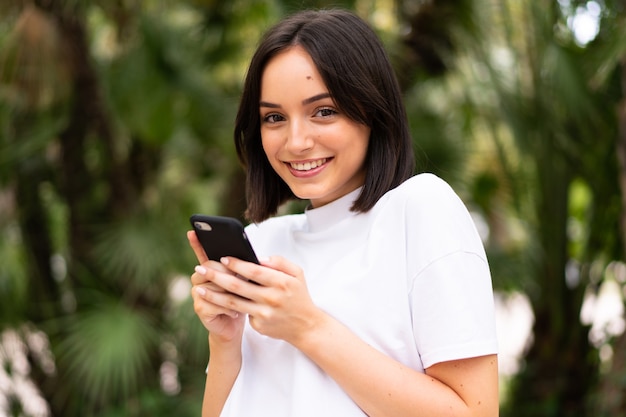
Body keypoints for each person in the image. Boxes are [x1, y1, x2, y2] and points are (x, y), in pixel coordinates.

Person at [188, 8, 499, 417]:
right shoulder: (263, 242)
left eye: (323, 111)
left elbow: (475, 412)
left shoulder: (420, 210)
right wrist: (225, 342)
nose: (296, 141)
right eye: (274, 117)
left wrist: (308, 326)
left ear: (372, 109)